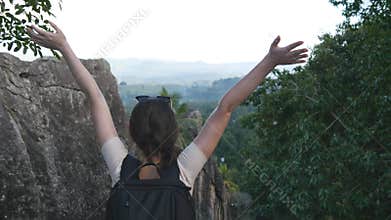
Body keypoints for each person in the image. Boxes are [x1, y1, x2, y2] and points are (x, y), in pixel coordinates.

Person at [25, 20, 308, 218]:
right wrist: (269, 62)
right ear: (173, 133)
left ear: (132, 132)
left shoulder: (120, 170)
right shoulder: (183, 172)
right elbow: (225, 109)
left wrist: (64, 46)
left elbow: (95, 96)